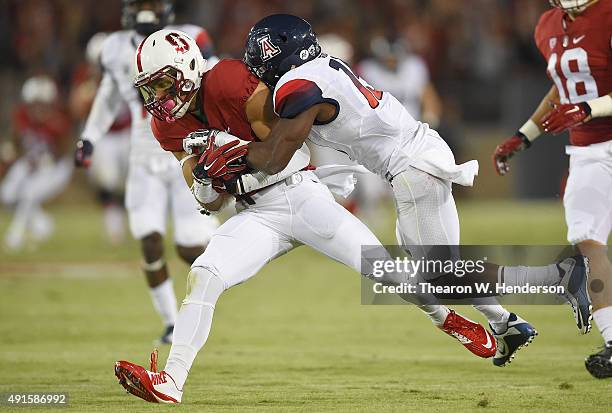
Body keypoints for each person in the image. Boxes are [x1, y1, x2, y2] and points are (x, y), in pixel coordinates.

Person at [113, 28, 501, 404]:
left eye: (163, 84)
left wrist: (233, 155)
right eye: (151, 88)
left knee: (383, 270)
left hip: (300, 195)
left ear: (186, 70)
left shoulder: (229, 80)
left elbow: (292, 151)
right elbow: (211, 202)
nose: (157, 97)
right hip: (257, 214)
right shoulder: (166, 124)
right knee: (203, 276)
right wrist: (202, 179)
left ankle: (447, 319)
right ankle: (171, 382)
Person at [240, 14, 592, 367]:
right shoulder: (320, 68)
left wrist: (222, 152)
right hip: (415, 155)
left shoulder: (299, 84)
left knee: (441, 276)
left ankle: (558, 277)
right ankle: (505, 323)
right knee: (439, 266)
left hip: (411, 165)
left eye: (259, 51)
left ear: (277, 51)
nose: (255, 61)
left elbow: (274, 158)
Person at [73, 0, 219, 344]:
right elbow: (109, 95)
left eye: (152, 3)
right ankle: (172, 323)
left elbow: (212, 85)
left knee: (189, 247)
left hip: (184, 148)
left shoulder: (192, 38)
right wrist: (89, 137)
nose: (146, 10)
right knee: (149, 241)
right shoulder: (112, 48)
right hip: (143, 155)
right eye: (140, 3)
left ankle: (227, 267)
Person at [493, 0, 612, 379]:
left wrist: (589, 109)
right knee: (587, 240)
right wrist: (524, 135)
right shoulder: (547, 25)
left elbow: (580, 103)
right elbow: (562, 90)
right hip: (587, 150)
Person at [70, 32, 130, 245]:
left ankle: (132, 224)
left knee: (131, 181)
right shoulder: (86, 77)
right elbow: (76, 108)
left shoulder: (128, 69)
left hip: (127, 132)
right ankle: (114, 225)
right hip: (104, 137)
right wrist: (91, 90)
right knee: (107, 180)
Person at [0, 76, 73, 251]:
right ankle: (43, 225)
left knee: (29, 194)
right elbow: (18, 142)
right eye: (34, 103)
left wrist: (43, 161)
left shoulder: (57, 122)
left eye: (42, 103)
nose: (38, 108)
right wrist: (13, 152)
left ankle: (14, 237)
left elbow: (64, 151)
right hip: (31, 162)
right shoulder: (21, 117)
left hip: (55, 167)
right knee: (6, 195)